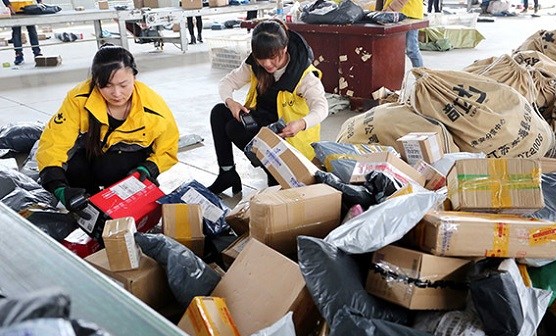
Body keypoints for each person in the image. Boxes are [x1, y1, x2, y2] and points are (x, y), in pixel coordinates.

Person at [37, 45, 179, 215]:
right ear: (95, 81)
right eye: (106, 85)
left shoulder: (153, 108)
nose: (116, 93)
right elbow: (54, 142)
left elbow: (168, 148)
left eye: (123, 85)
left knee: (114, 169)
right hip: (92, 156)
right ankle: (88, 205)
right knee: (72, 165)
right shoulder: (78, 98)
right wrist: (57, 185)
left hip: (126, 165)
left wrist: (149, 168)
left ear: (134, 76)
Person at [207, 19, 328, 195]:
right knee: (219, 112)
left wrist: (301, 124)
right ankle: (227, 174)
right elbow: (227, 82)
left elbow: (321, 108)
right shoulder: (255, 64)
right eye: (261, 59)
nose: (267, 65)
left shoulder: (304, 76)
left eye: (273, 58)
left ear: (284, 49)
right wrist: (231, 102)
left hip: (288, 137)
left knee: (234, 128)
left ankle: (277, 173)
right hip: (262, 124)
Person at [378, 0, 424, 68]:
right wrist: (378, 12)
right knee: (393, 49)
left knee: (412, 49)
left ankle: (422, 77)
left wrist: (390, 10)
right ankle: (393, 77)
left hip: (409, 13)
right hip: (393, 13)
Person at [2, 0, 42, 65]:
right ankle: (18, 54)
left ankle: (37, 52)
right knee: (16, 33)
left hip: (29, 8)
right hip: (15, 9)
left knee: (32, 31)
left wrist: (39, 2)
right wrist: (9, 6)